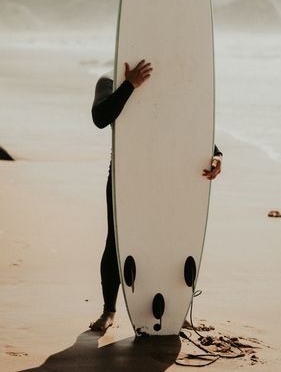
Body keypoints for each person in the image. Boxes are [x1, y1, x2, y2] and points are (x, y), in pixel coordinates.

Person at [89, 59, 223, 331]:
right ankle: (109, 311)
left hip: (168, 175)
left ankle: (174, 309)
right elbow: (100, 118)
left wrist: (216, 154)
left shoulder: (170, 81)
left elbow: (190, 122)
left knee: (171, 241)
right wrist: (129, 86)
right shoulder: (108, 79)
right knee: (116, 241)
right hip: (126, 175)